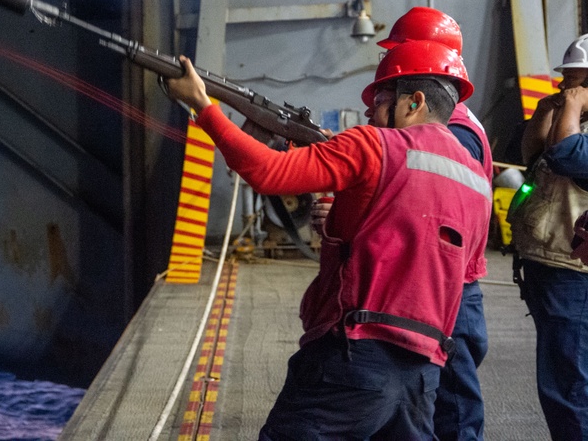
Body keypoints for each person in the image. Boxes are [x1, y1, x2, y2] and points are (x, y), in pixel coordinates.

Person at [166, 40, 492, 439]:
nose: (370, 111)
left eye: (382, 98)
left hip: (354, 357)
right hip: (422, 375)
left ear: (414, 102)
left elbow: (268, 173)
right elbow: (431, 256)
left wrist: (203, 105)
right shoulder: (477, 181)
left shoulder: (375, 145)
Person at [378, 6, 494, 441]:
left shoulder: (455, 133)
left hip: (451, 289)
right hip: (444, 285)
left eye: (402, 53)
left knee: (454, 409)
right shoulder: (446, 125)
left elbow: (424, 207)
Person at [509, 32, 588, 439]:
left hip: (574, 274)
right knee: (561, 377)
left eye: (576, 82)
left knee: (570, 385)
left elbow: (566, 156)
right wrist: (546, 111)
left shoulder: (577, 133)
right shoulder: (572, 124)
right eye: (566, 81)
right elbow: (536, 157)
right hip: (550, 268)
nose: (566, 89)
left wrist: (572, 108)